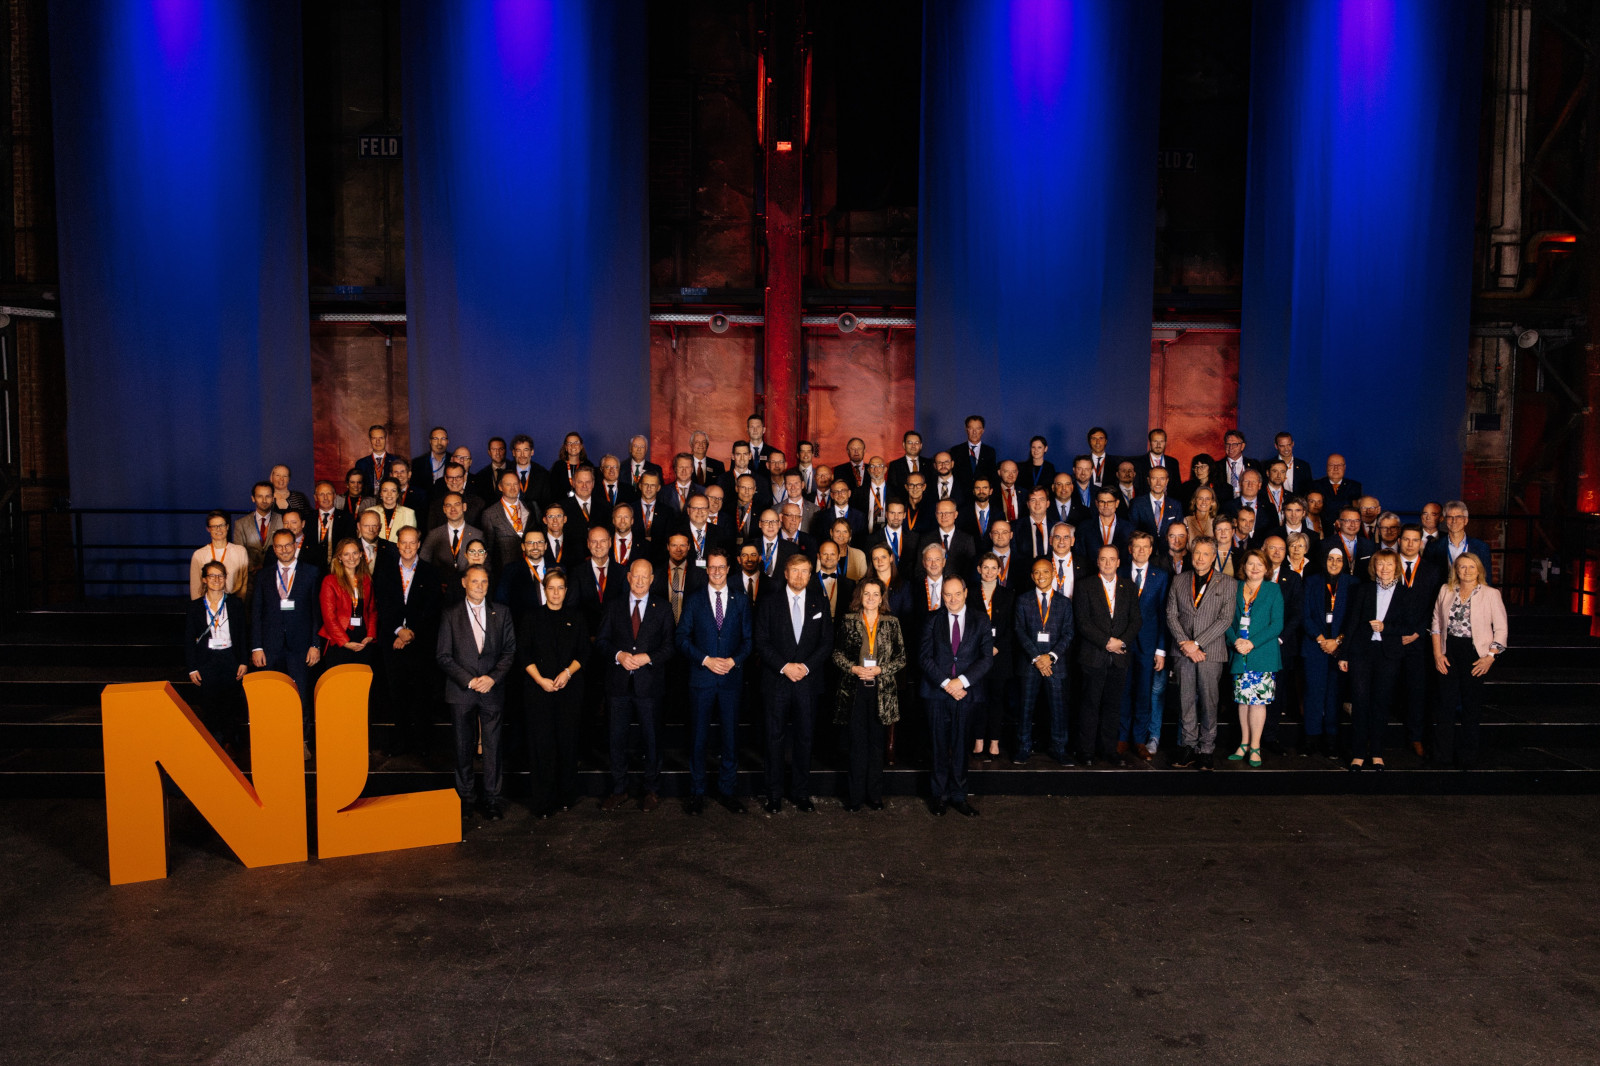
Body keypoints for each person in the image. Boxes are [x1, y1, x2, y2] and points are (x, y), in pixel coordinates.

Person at [753, 552, 833, 813]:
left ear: (811, 575)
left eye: (805, 571)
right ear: (786, 574)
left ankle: (801, 793)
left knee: (804, 738)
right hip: (777, 680)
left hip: (808, 682)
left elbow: (826, 643)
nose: (800, 576)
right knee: (774, 738)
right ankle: (773, 794)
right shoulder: (768, 602)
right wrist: (785, 667)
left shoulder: (820, 602)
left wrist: (806, 667)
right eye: (795, 571)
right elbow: (761, 641)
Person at [675, 549, 753, 814]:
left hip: (731, 679)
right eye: (712, 568)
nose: (717, 572)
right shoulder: (694, 600)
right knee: (698, 738)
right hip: (702, 679)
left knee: (730, 738)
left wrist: (733, 661)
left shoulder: (740, 600)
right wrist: (706, 660)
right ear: (706, 570)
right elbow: (682, 638)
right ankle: (697, 793)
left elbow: (748, 640)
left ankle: (727, 791)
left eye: (721, 567)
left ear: (728, 568)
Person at [595, 558, 676, 811]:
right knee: (616, 738)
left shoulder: (662, 607)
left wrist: (648, 657)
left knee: (651, 739)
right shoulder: (614, 606)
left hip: (649, 686)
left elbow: (670, 646)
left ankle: (651, 790)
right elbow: (602, 641)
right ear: (628, 577)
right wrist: (619, 655)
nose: (640, 581)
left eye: (645, 577)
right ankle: (619, 790)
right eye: (635, 576)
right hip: (618, 685)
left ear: (652, 579)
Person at [436, 564, 516, 819]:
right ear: (464, 584)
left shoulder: (501, 613)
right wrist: (470, 681)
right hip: (462, 691)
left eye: (484, 582)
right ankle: (466, 798)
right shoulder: (451, 615)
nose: (479, 586)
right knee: (462, 746)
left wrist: (492, 679)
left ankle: (492, 799)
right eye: (474, 582)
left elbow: (509, 651)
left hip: (492, 690)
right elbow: (444, 656)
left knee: (493, 747)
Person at [918, 575, 993, 815]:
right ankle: (939, 796)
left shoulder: (981, 620)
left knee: (961, 747)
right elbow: (924, 657)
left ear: (966, 592)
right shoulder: (932, 619)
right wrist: (945, 683)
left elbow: (986, 659)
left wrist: (961, 682)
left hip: (967, 694)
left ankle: (960, 796)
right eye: (947, 595)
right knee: (939, 747)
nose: (952, 599)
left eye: (957, 593)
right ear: (942, 596)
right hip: (937, 694)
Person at [517, 568, 588, 818]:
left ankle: (566, 796)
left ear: (566, 591)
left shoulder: (577, 617)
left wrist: (567, 673)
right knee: (542, 746)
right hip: (539, 692)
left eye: (560, 588)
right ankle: (543, 802)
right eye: (551, 588)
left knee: (567, 745)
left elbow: (584, 653)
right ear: (544, 591)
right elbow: (523, 653)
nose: (556, 592)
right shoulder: (531, 617)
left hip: (569, 692)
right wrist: (540, 680)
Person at [830, 577, 904, 811]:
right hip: (854, 691)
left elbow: (901, 658)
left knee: (876, 745)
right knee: (857, 745)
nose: (871, 598)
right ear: (859, 597)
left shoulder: (892, 623)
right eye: (866, 594)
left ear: (882, 598)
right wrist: (853, 668)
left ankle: (875, 796)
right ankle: (855, 797)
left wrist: (881, 669)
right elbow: (837, 654)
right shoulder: (849, 620)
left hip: (882, 692)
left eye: (875, 594)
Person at [1338, 549, 1414, 772]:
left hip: (1388, 654)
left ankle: (1378, 753)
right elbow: (1351, 623)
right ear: (1374, 567)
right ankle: (1359, 754)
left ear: (1396, 567)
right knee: (1360, 703)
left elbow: (1408, 626)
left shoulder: (1405, 593)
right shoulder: (1363, 590)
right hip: (1361, 652)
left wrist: (1386, 628)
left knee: (1381, 704)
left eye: (1389, 565)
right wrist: (1344, 655)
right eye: (1380, 564)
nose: (1384, 569)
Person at [1431, 552, 1507, 770]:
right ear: (1456, 570)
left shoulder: (1491, 594)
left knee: (1471, 707)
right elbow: (1436, 624)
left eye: (1471, 567)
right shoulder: (1446, 590)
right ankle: (1442, 756)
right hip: (1449, 652)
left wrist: (1490, 658)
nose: (1466, 571)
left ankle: (1467, 757)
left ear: (1479, 570)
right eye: (1462, 567)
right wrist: (1438, 655)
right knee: (1445, 705)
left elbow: (1501, 630)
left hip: (1475, 655)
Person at [1164, 536, 1236, 770]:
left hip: (1210, 652)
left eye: (1206, 554)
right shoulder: (1179, 580)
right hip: (1183, 651)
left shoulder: (1227, 583)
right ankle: (1187, 747)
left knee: (1209, 701)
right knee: (1185, 701)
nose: (1200, 558)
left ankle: (1206, 749)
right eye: (1197, 554)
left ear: (1214, 557)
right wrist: (1186, 643)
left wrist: (1198, 643)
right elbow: (1171, 615)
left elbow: (1225, 619)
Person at [250, 530, 323, 758]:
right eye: (279, 546)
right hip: (270, 646)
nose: (284, 550)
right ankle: (273, 740)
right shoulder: (263, 575)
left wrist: (315, 644)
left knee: (301, 695)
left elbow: (316, 613)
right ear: (273, 549)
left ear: (296, 546)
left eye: (288, 545)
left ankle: (302, 741)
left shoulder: (312, 573)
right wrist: (256, 647)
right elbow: (256, 613)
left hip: (301, 646)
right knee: (272, 696)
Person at [373, 525, 443, 757]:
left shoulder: (430, 572)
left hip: (420, 642)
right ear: (397, 544)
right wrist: (397, 631)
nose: (408, 547)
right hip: (391, 642)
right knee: (397, 695)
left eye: (412, 542)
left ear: (419, 544)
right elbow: (382, 604)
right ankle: (400, 743)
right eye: (403, 542)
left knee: (421, 695)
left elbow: (431, 608)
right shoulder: (384, 571)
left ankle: (422, 746)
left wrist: (409, 632)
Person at [1075, 545, 1140, 766]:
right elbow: (1082, 621)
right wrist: (1106, 642)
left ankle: (1109, 750)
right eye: (1103, 559)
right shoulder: (1085, 586)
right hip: (1093, 655)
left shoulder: (1129, 587)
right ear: (1098, 562)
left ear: (1119, 562)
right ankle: (1086, 752)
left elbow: (1136, 620)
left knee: (1113, 706)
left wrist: (1120, 642)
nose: (1108, 563)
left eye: (1112, 559)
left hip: (1119, 657)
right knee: (1090, 705)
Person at [185, 561, 250, 756]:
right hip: (207, 660)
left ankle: (231, 743)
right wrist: (192, 667)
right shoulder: (195, 607)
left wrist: (244, 661)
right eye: (212, 576)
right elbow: (188, 639)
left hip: (230, 658)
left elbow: (242, 635)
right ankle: (214, 743)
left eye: (220, 576)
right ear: (204, 580)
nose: (216, 580)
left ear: (225, 579)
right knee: (209, 703)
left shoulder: (235, 604)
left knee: (230, 703)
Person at [1013, 557, 1074, 765]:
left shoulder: (1064, 603)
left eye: (1045, 572)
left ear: (1053, 574)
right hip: (1030, 663)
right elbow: (1019, 631)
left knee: (1058, 708)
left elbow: (1068, 633)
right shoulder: (1023, 600)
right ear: (1032, 576)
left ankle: (1059, 748)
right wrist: (1037, 658)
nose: (1041, 576)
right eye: (1037, 573)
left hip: (1056, 664)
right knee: (1025, 707)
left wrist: (1051, 657)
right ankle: (1023, 747)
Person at [1225, 550, 1283, 768]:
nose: (1255, 568)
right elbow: (1226, 621)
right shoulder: (1234, 587)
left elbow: (1276, 624)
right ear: (1244, 567)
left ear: (1266, 568)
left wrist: (1252, 642)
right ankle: (1243, 744)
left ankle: (1256, 747)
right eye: (1251, 564)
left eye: (1260, 564)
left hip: (1261, 652)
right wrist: (1236, 641)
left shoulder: (1273, 589)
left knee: (1257, 702)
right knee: (1242, 701)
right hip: (1240, 652)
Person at [1119, 532, 1169, 761]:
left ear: (1151, 549)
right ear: (1130, 549)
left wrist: (1160, 649)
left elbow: (1163, 614)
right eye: (1136, 546)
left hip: (1148, 644)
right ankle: (1122, 737)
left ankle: (1140, 740)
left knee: (1143, 693)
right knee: (1123, 691)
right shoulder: (1118, 572)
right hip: (1123, 643)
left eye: (1145, 547)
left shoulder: (1161, 576)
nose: (1140, 551)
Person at [1301, 546, 1353, 758]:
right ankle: (1311, 738)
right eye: (1330, 559)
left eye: (1338, 560)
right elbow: (1304, 614)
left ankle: (1331, 739)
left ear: (1344, 563)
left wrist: (1338, 641)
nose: (1334, 563)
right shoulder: (1311, 581)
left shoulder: (1353, 584)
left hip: (1340, 649)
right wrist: (1322, 640)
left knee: (1334, 695)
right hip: (1315, 646)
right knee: (1314, 694)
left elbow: (1353, 619)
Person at [968, 553, 1015, 762]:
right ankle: (978, 740)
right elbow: (966, 623)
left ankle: (994, 741)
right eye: (984, 567)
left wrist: (996, 647)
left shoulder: (1008, 595)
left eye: (993, 568)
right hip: (975, 656)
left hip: (999, 655)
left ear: (999, 571)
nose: (988, 572)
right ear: (979, 569)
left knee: (997, 699)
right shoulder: (969, 594)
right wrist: (980, 648)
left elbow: (1012, 627)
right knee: (978, 699)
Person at [318, 539, 376, 670]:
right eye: (346, 554)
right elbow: (329, 618)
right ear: (339, 557)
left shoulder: (366, 579)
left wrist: (370, 635)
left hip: (363, 641)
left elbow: (372, 611)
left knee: (361, 683)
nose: (351, 558)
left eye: (355, 553)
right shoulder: (330, 581)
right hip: (339, 641)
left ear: (361, 554)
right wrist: (345, 642)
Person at [421, 492, 484, 578]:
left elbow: (485, 567)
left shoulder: (478, 535)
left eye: (457, 504)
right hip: (441, 586)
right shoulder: (434, 535)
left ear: (464, 507)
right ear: (444, 509)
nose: (453, 509)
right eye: (448, 505)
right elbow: (423, 564)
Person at [190, 510, 249, 599]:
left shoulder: (240, 551)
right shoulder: (199, 555)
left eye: (222, 525)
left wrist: (238, 606)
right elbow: (195, 589)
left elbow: (244, 585)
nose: (219, 529)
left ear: (227, 527)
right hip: (208, 605)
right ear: (208, 529)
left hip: (233, 603)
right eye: (214, 526)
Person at [231, 481, 284, 578]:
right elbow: (239, 552)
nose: (264, 500)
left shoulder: (282, 520)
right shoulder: (240, 524)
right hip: (250, 577)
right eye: (260, 496)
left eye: (268, 496)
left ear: (273, 498)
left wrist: (266, 567)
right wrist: (253, 568)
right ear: (253, 498)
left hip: (276, 575)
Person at [365, 478, 417, 544]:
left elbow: (412, 540)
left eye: (393, 491)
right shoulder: (369, 512)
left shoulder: (409, 513)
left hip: (399, 552)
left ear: (398, 494)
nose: (389, 494)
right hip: (375, 552)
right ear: (381, 494)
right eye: (385, 490)